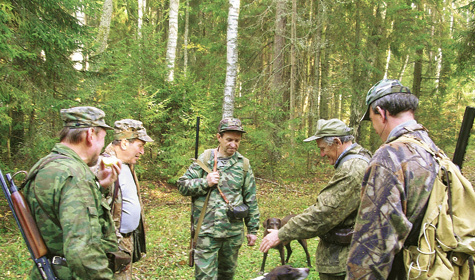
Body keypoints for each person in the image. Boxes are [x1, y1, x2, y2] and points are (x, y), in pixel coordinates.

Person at [346, 79, 441, 279]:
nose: (374, 128)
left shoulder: (390, 158)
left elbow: (372, 248)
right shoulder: (434, 150)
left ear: (382, 113)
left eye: (372, 120)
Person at [259, 118, 371, 280]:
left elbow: (322, 213)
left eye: (323, 148)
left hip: (343, 261)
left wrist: (281, 234)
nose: (322, 154)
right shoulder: (361, 158)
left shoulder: (351, 169)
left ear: (337, 142)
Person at [23, 106, 122, 279]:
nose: (102, 147)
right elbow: (83, 253)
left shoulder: (46, 165)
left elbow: (57, 214)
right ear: (91, 135)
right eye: (102, 138)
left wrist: (99, 185)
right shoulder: (74, 176)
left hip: (48, 271)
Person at [177, 117, 260, 280]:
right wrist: (205, 182)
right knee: (205, 277)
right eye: (229, 140)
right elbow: (182, 185)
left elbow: (250, 198)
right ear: (219, 137)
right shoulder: (206, 158)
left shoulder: (243, 164)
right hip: (207, 232)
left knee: (227, 275)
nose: (233, 144)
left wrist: (252, 229)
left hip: (233, 233)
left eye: (237, 140)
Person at [98, 119, 154, 279]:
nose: (142, 151)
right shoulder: (104, 166)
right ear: (124, 143)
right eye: (140, 145)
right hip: (111, 245)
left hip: (126, 240)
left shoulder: (126, 164)